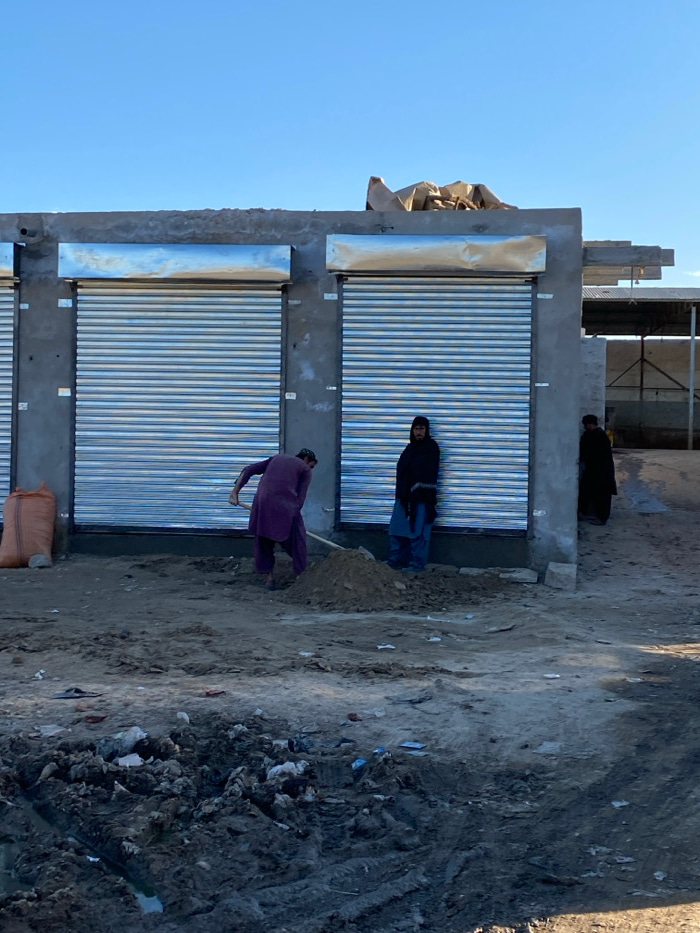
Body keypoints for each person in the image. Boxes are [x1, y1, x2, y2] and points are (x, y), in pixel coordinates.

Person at [229, 448, 317, 589]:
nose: (311, 468)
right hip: (285, 506)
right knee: (298, 540)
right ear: (306, 459)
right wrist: (294, 517)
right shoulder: (305, 469)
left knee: (263, 539)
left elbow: (249, 469)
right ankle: (301, 577)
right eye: (312, 465)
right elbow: (301, 498)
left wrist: (235, 492)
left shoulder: (276, 458)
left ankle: (269, 580)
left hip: (261, 504)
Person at [388, 416, 440, 572]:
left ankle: (416, 564)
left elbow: (427, 472)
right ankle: (396, 560)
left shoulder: (431, 448)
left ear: (427, 430)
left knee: (417, 532)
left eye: (422, 429)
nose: (419, 432)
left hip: (421, 497)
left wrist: (416, 490)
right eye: (416, 429)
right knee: (397, 529)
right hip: (404, 498)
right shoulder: (409, 449)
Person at [578, 415, 617, 525]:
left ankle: (602, 517)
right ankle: (585, 513)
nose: (588, 426)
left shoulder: (599, 436)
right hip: (594, 469)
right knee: (587, 490)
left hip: (601, 470)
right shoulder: (593, 435)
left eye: (589, 424)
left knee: (601, 494)